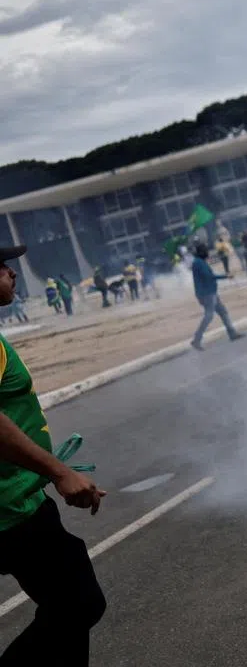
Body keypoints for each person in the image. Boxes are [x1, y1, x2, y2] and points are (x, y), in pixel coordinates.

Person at [0, 244, 107, 665]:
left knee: (68, 607)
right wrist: (58, 471)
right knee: (79, 602)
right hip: (9, 508)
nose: (12, 272)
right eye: (2, 266)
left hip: (18, 496)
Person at [190, 242, 244, 351]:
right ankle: (197, 339)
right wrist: (226, 276)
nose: (207, 253)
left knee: (223, 312)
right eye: (205, 251)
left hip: (210, 292)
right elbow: (209, 276)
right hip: (207, 294)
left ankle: (232, 333)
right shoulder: (199, 263)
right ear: (201, 252)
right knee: (209, 316)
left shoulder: (199, 262)